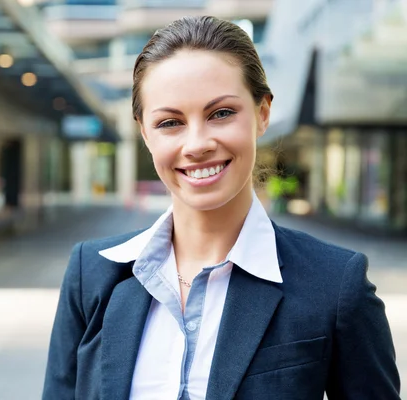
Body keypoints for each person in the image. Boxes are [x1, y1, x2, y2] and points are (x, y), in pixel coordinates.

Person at [42, 16, 401, 400]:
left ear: (263, 113)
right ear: (145, 132)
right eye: (169, 122)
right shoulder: (92, 274)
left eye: (221, 113)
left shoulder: (335, 285)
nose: (197, 144)